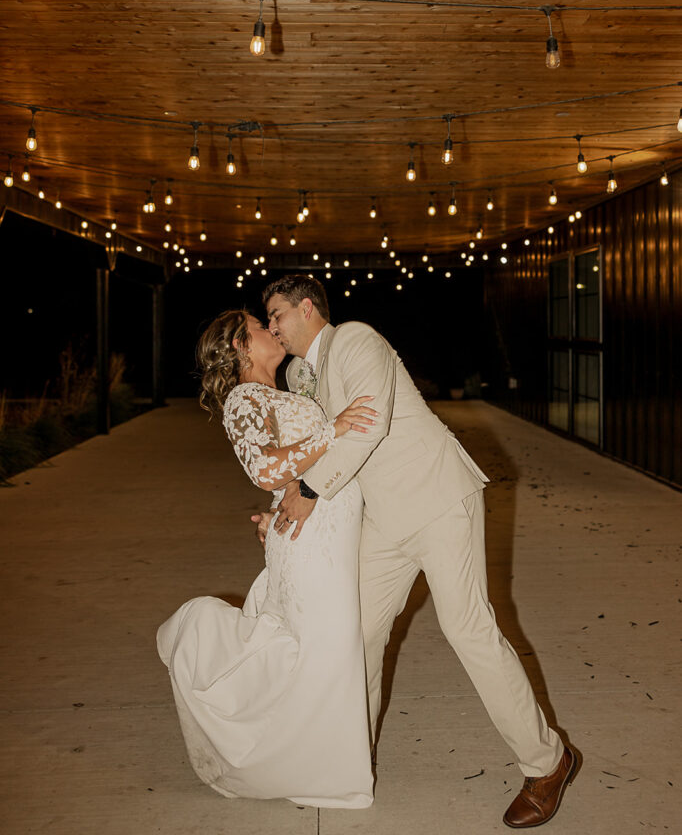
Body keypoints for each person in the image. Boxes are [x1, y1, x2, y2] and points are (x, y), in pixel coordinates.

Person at [260, 275, 578, 829]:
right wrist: (285, 497)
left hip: (436, 498)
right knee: (355, 634)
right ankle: (347, 761)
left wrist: (310, 492)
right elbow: (315, 445)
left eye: (276, 315)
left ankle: (549, 762)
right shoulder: (297, 374)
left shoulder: (357, 340)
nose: (271, 327)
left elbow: (367, 425)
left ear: (307, 308)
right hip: (384, 518)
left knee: (468, 629)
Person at [156, 309, 378, 808]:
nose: (271, 330)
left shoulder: (283, 394)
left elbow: (291, 469)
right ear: (241, 345)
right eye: (261, 325)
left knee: (327, 652)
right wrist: (334, 428)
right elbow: (264, 468)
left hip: (323, 531)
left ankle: (320, 769)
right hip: (310, 543)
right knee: (325, 649)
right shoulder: (244, 397)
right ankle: (327, 776)